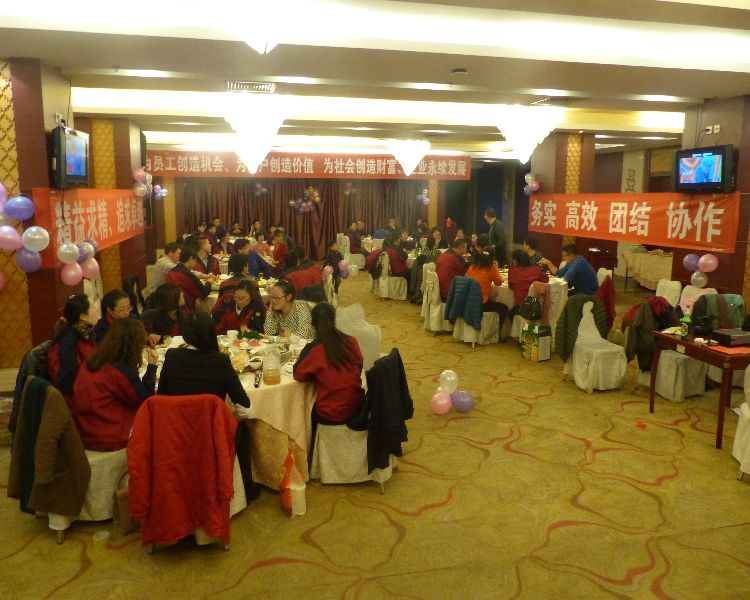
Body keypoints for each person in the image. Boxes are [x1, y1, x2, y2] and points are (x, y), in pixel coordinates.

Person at [157, 311, 255, 499]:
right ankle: (246, 491)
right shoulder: (220, 361)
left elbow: (162, 398)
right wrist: (227, 416)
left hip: (178, 432)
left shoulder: (172, 356)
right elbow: (245, 408)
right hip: (212, 433)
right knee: (243, 429)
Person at [71, 319, 158, 452]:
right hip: (108, 435)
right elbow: (145, 399)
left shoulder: (93, 360)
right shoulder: (121, 369)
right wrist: (152, 365)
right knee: (159, 419)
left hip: (84, 428)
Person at [293, 303, 365, 425]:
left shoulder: (315, 350)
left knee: (304, 410)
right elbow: (359, 364)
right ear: (334, 320)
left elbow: (298, 375)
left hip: (331, 413)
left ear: (313, 324)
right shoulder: (351, 341)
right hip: (357, 407)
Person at [47, 294, 99, 403]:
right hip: (77, 397)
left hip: (90, 388)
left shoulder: (88, 332)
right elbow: (67, 381)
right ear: (83, 317)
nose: (97, 309)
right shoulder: (68, 341)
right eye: (93, 307)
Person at [466, 240, 508, 336]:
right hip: (482, 303)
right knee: (504, 309)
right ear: (492, 257)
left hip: (468, 300)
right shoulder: (490, 268)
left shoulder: (472, 266)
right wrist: (496, 268)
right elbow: (499, 283)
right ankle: (498, 334)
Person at [508, 248, 548, 317]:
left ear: (515, 260)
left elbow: (511, 286)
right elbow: (546, 280)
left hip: (521, 307)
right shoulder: (537, 270)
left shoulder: (512, 271)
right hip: (536, 306)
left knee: (509, 313)